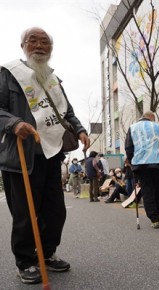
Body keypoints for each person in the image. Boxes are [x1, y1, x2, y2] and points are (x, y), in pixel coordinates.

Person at [0, 27, 90, 284]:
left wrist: (81, 130)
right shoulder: (8, 74)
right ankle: (26, 261)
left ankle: (46, 253)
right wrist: (14, 123)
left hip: (52, 155)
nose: (39, 46)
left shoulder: (53, 79)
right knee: (25, 213)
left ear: (50, 48)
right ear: (23, 46)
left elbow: (67, 112)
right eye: (33, 41)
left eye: (45, 42)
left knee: (55, 212)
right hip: (20, 157)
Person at [125, 111, 159, 229]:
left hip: (140, 164)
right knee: (158, 189)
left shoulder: (132, 128)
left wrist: (132, 162)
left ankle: (154, 219)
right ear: (151, 117)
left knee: (147, 190)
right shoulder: (156, 126)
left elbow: (128, 147)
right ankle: (158, 212)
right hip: (156, 162)